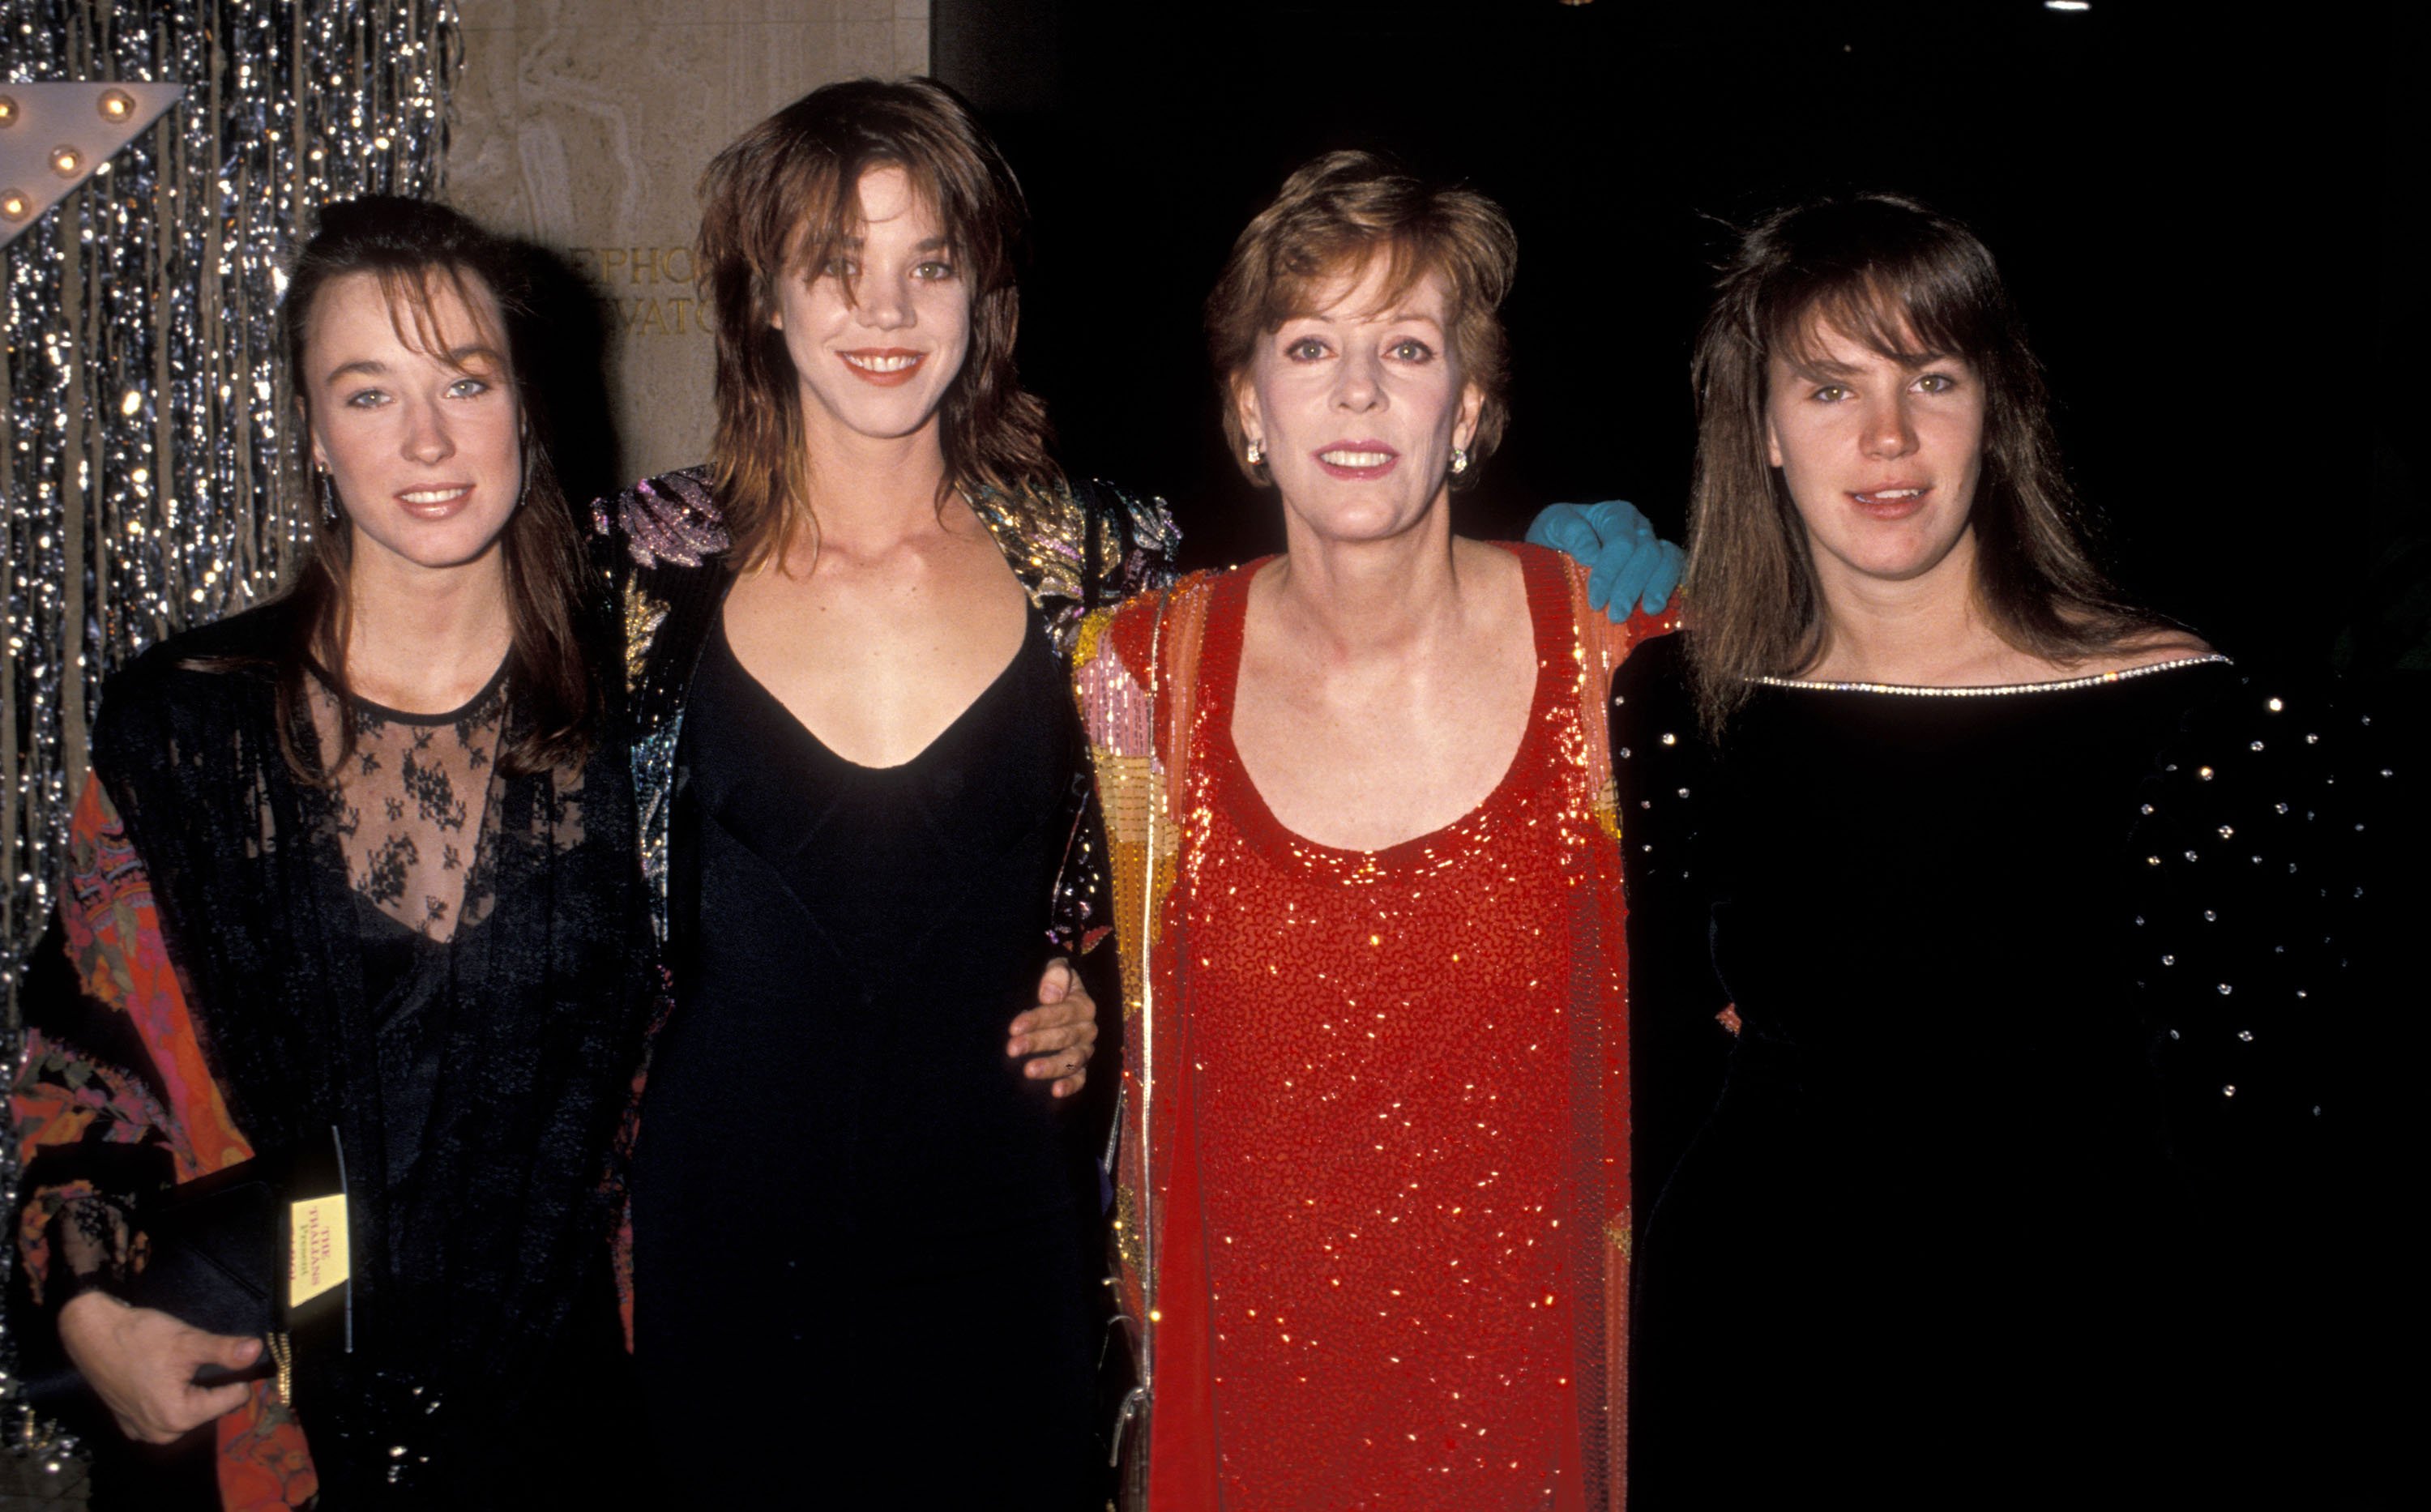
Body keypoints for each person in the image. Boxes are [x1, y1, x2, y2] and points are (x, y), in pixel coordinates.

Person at [1581, 193, 2413, 1507]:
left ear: (1997, 408)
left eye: (1933, 376)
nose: (1889, 435)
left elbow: (2291, 1172)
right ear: (1762, 432)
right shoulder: (1681, 704)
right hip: (1751, 1357)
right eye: (1828, 385)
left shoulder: (2193, 718)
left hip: (2090, 1376)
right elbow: (1655, 1067)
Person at [7, 197, 657, 1508]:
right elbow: (86, 1067)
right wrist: (86, 1312)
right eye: (368, 395)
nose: (427, 439)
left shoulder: (654, 706)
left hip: (582, 1427)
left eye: (465, 382)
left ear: (525, 401)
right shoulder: (185, 726)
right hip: (268, 1433)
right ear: (311, 427)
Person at [1074, 150, 1675, 1511]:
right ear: (1247, 405)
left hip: (1545, 1430)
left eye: (1406, 346)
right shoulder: (1133, 677)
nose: (1355, 390)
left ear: (1469, 408)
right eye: (1308, 344)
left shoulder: (1619, 648)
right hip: (1247, 1435)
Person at [602, 78, 1162, 1508]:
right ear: (763, 302)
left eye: (929, 264)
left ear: (984, 293)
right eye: (835, 268)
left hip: (1004, 1233)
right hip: (724, 1234)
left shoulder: (1104, 567)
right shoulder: (640, 575)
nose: (886, 309)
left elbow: (1201, 872)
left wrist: (1109, 989)